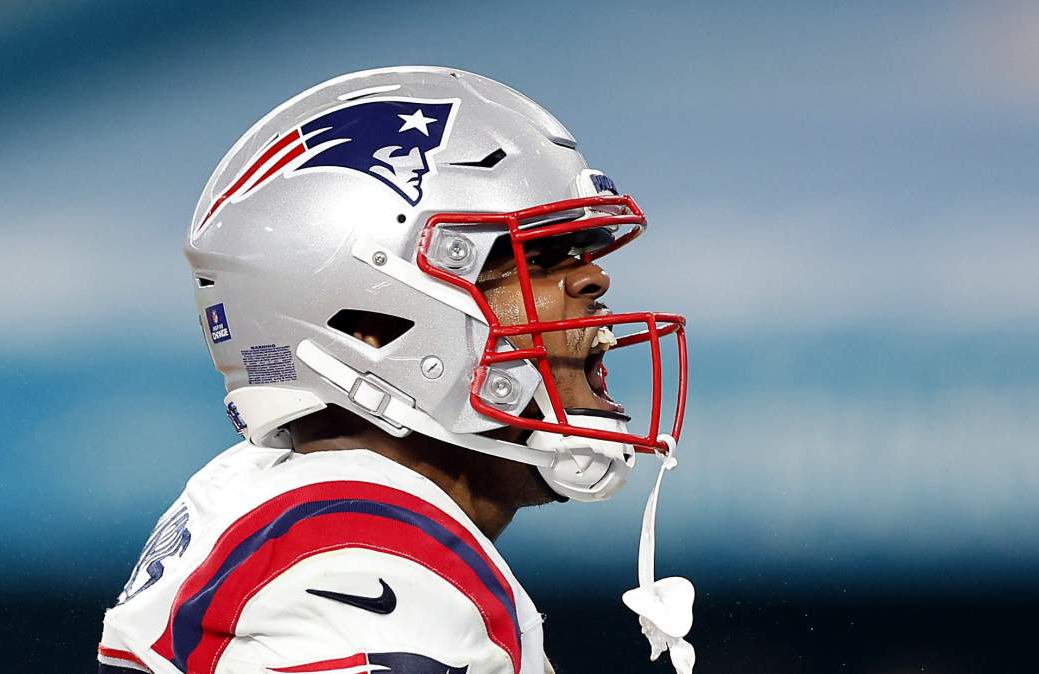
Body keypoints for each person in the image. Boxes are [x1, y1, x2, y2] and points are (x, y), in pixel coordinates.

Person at [97, 66, 692, 674]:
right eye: (535, 259)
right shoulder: (359, 556)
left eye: (579, 254)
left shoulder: (257, 494)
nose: (594, 279)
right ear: (372, 326)